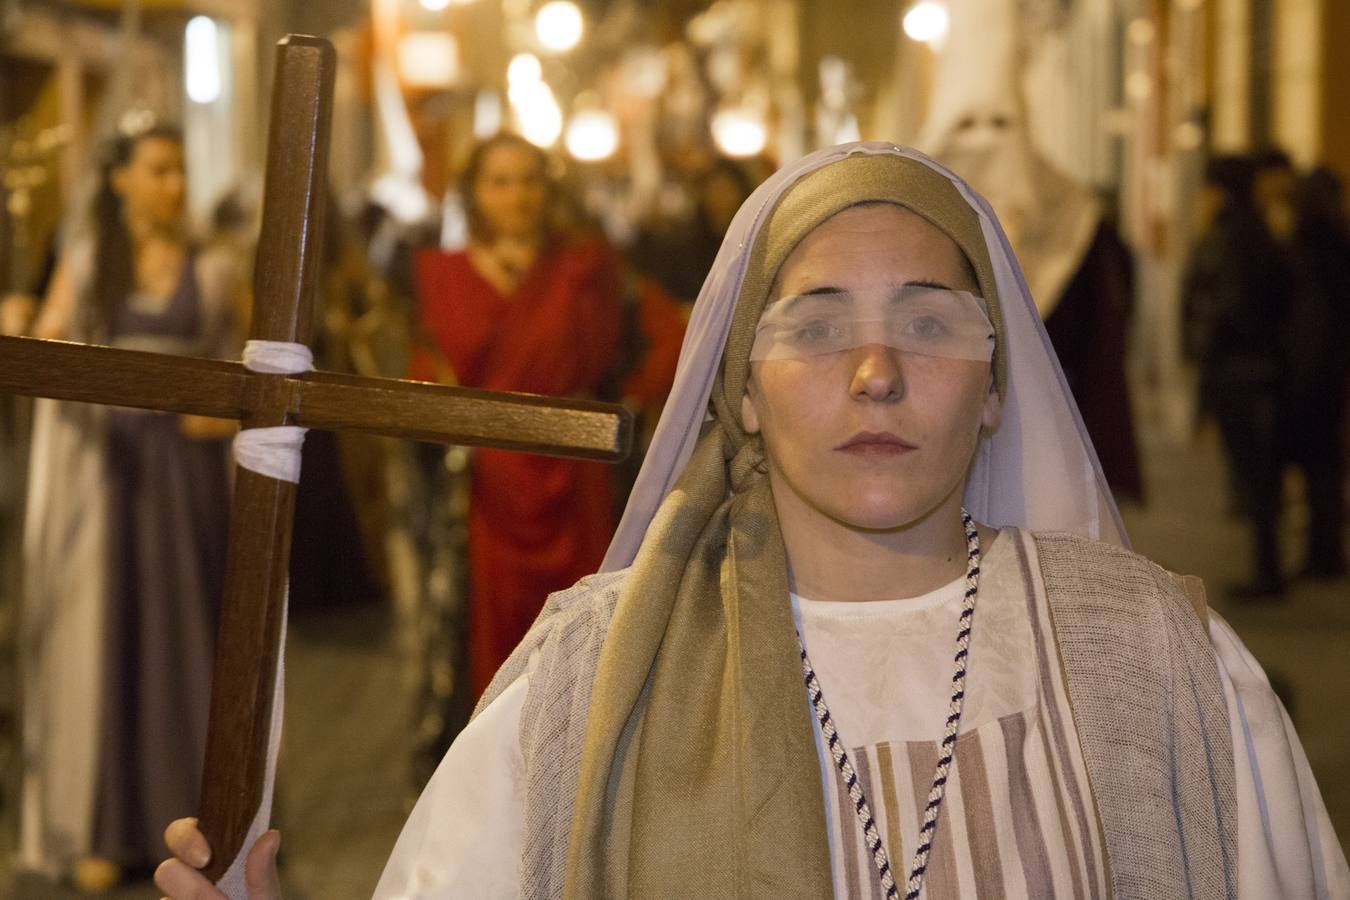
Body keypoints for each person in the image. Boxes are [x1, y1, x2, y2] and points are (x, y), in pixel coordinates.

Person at [157, 143, 1347, 899]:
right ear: (739, 391)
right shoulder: (590, 677)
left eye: (931, 322)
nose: (875, 370)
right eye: (815, 325)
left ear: (996, 387)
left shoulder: (1157, 659)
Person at [15, 123, 245, 890]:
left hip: (187, 476)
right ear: (120, 179)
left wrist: (213, 415)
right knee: (108, 641)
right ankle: (107, 826)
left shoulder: (212, 268)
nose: (172, 184)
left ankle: (193, 824)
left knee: (186, 643)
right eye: (156, 170)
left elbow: (252, 369)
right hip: (109, 474)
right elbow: (48, 349)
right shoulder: (89, 262)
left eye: (180, 169)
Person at [407, 132, 623, 700]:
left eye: (528, 180)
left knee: (584, 640)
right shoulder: (442, 274)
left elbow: (636, 349)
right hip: (492, 483)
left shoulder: (583, 266)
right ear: (474, 192)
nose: (516, 195)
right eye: (500, 182)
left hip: (573, 469)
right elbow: (424, 379)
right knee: (497, 640)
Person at [1182, 155, 1291, 598]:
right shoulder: (1249, 231)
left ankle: (1268, 573)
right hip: (1246, 368)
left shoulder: (1238, 235)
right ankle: (1267, 569)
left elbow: (1232, 305)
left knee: (1257, 474)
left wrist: (1208, 341)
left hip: (1242, 371)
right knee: (1254, 474)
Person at [1280, 166, 1350, 579]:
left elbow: (1311, 319)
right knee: (1324, 469)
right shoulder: (1336, 243)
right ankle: (1325, 552)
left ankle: (1322, 554)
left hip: (1313, 373)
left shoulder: (1311, 246)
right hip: (1326, 370)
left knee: (1319, 468)